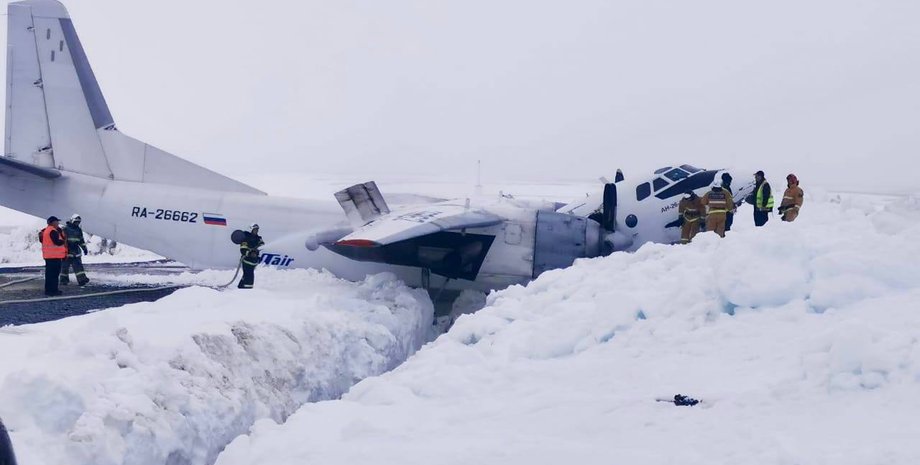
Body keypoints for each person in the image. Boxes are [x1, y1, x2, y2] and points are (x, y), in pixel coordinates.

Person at [39, 216, 67, 296]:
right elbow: (57, 242)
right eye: (57, 221)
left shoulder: (46, 231)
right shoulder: (53, 231)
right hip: (54, 256)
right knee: (54, 275)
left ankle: (48, 290)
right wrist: (63, 240)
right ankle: (54, 291)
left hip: (49, 256)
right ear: (52, 222)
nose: (58, 223)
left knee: (49, 275)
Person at [60, 214, 90, 286]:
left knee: (79, 267)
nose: (77, 223)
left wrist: (84, 249)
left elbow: (81, 240)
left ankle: (82, 280)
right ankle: (64, 281)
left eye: (78, 222)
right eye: (76, 222)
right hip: (67, 251)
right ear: (72, 221)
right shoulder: (65, 229)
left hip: (76, 251)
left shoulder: (78, 230)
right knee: (64, 267)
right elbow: (62, 240)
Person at [238, 223, 264, 289]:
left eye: (257, 230)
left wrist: (260, 246)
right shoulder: (245, 238)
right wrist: (250, 253)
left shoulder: (258, 238)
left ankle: (241, 286)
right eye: (255, 230)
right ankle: (247, 290)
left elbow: (262, 244)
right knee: (249, 276)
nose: (256, 231)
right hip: (246, 260)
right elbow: (243, 250)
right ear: (250, 230)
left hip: (253, 261)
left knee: (247, 274)